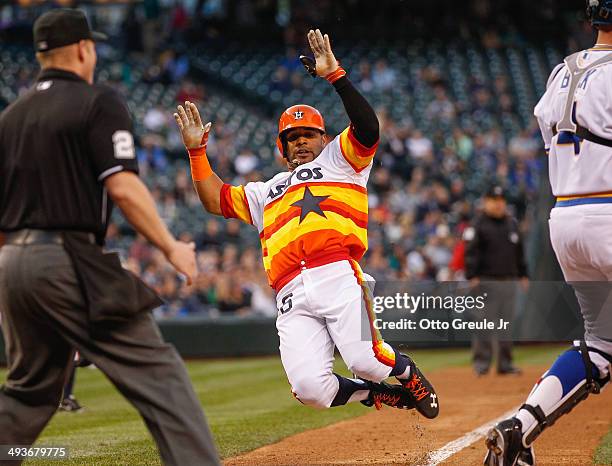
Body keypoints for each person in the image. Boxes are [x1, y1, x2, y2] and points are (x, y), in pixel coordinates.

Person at [174, 29, 440, 418]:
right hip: (289, 293)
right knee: (310, 389)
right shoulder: (265, 191)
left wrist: (336, 76)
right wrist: (197, 152)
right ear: (282, 150)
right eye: (292, 137)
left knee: (367, 361)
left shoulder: (340, 161)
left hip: (335, 274)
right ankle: (374, 395)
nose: (300, 141)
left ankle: (405, 372)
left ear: (323, 138)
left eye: (308, 135)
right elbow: (214, 199)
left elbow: (368, 129)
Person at [0, 9, 220, 466]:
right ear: (83, 48)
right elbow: (122, 185)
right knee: (162, 377)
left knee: (27, 395)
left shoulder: (11, 116)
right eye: (93, 46)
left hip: (12, 266)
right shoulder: (97, 101)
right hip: (66, 259)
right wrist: (171, 245)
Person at [484, 2, 612, 464]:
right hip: (608, 210)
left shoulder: (563, 69)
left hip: (567, 217)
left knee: (601, 345)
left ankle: (520, 428)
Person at [463, 185, 528, 376]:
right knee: (484, 323)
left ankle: (505, 364)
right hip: (485, 280)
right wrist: (472, 275)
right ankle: (481, 364)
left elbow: (519, 253)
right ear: (486, 202)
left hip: (509, 280)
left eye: (501, 200)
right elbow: (470, 253)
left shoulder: (511, 223)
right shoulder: (479, 224)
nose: (498, 204)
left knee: (506, 325)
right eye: (494, 200)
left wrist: (524, 274)